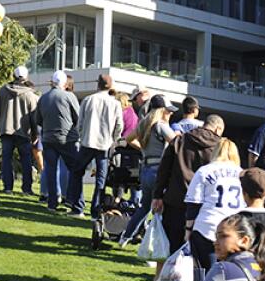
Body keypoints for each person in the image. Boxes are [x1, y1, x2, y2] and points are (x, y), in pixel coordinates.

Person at [151, 115, 224, 257]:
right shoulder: (220, 147)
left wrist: (158, 195)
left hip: (175, 199)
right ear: (218, 128)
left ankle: (171, 276)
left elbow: (164, 170)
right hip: (203, 205)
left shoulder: (179, 141)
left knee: (173, 246)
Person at [120, 99, 177, 244]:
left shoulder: (144, 124)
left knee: (144, 208)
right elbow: (177, 143)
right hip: (159, 171)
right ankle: (152, 246)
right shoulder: (161, 126)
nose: (170, 114)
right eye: (168, 110)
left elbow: (128, 139)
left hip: (145, 170)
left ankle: (125, 237)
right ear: (161, 110)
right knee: (160, 211)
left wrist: (143, 149)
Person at [183, 138, 244, 271]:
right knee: (229, 272)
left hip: (206, 226)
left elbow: (194, 203)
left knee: (205, 273)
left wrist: (188, 230)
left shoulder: (204, 171)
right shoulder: (242, 173)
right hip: (232, 229)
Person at [69, 74, 122, 218]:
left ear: (97, 84)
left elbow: (80, 123)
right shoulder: (115, 103)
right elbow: (119, 126)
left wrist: (82, 134)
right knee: (101, 179)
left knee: (76, 172)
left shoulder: (88, 100)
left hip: (88, 142)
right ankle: (96, 211)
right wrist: (114, 140)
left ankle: (78, 207)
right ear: (110, 86)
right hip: (105, 145)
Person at [0, 65, 39, 195]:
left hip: (6, 130)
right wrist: (35, 135)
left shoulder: (3, 91)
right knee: (26, 160)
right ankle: (27, 189)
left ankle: (8, 188)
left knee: (6, 159)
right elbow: (34, 118)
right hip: (24, 132)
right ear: (26, 77)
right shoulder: (30, 95)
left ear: (13, 76)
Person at [37, 69, 80, 212]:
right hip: (67, 138)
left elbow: (38, 119)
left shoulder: (43, 98)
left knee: (50, 170)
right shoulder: (69, 96)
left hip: (48, 138)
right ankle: (73, 201)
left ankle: (52, 203)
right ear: (64, 83)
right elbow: (77, 117)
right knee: (75, 169)